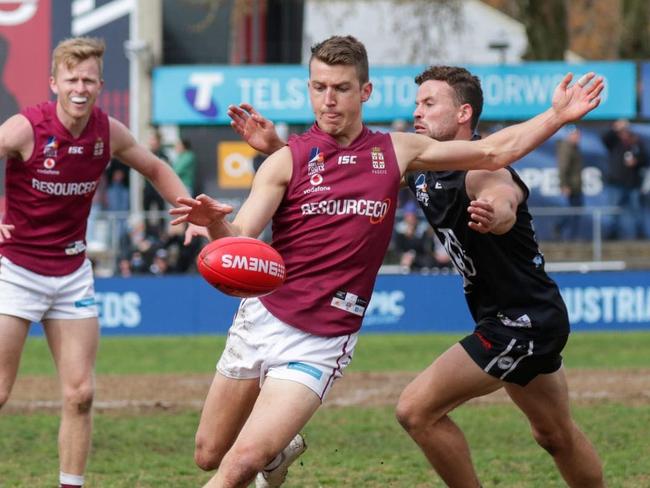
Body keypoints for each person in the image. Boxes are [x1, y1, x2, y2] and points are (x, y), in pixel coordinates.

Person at [170, 36, 602, 488]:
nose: (328, 99)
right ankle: (277, 454)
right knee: (209, 454)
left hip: (324, 339)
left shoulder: (397, 153)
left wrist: (556, 116)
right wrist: (215, 226)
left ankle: (263, 453)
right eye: (318, 88)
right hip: (264, 317)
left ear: (366, 92)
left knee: (240, 466)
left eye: (340, 87)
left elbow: (495, 156)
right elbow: (240, 239)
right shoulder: (286, 160)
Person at [0, 37, 203, 488]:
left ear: (99, 85)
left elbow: (155, 168)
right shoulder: (25, 128)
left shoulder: (107, 131)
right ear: (54, 82)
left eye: (88, 79)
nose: (80, 87)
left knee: (81, 394)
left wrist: (190, 212)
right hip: (14, 272)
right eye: (71, 78)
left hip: (72, 274)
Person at [601, 119, 648, 239]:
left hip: (633, 184)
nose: (624, 133)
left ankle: (640, 235)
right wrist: (615, 127)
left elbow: (645, 159)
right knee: (613, 211)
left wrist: (636, 161)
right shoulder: (614, 143)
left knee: (637, 211)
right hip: (617, 183)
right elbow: (605, 138)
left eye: (626, 130)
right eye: (621, 131)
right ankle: (612, 235)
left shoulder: (636, 142)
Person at [554, 125, 584, 240]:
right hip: (571, 186)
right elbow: (563, 168)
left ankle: (572, 236)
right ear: (570, 135)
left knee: (576, 212)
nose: (578, 137)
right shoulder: (566, 148)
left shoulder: (575, 148)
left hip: (576, 186)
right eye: (576, 135)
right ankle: (561, 228)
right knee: (572, 212)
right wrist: (564, 185)